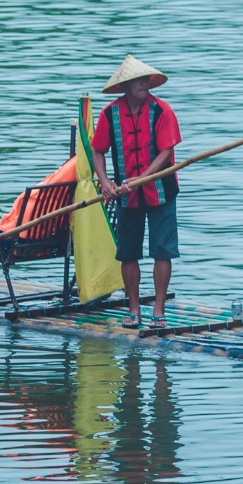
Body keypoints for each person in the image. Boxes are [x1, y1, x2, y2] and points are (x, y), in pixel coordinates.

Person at [90, 55, 182, 326]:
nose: (144, 84)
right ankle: (133, 309)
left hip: (161, 192)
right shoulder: (110, 113)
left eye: (145, 80)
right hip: (125, 193)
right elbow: (98, 150)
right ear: (126, 87)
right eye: (138, 81)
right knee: (128, 252)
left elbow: (166, 151)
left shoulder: (162, 111)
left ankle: (159, 309)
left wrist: (143, 177)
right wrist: (106, 183)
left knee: (162, 250)